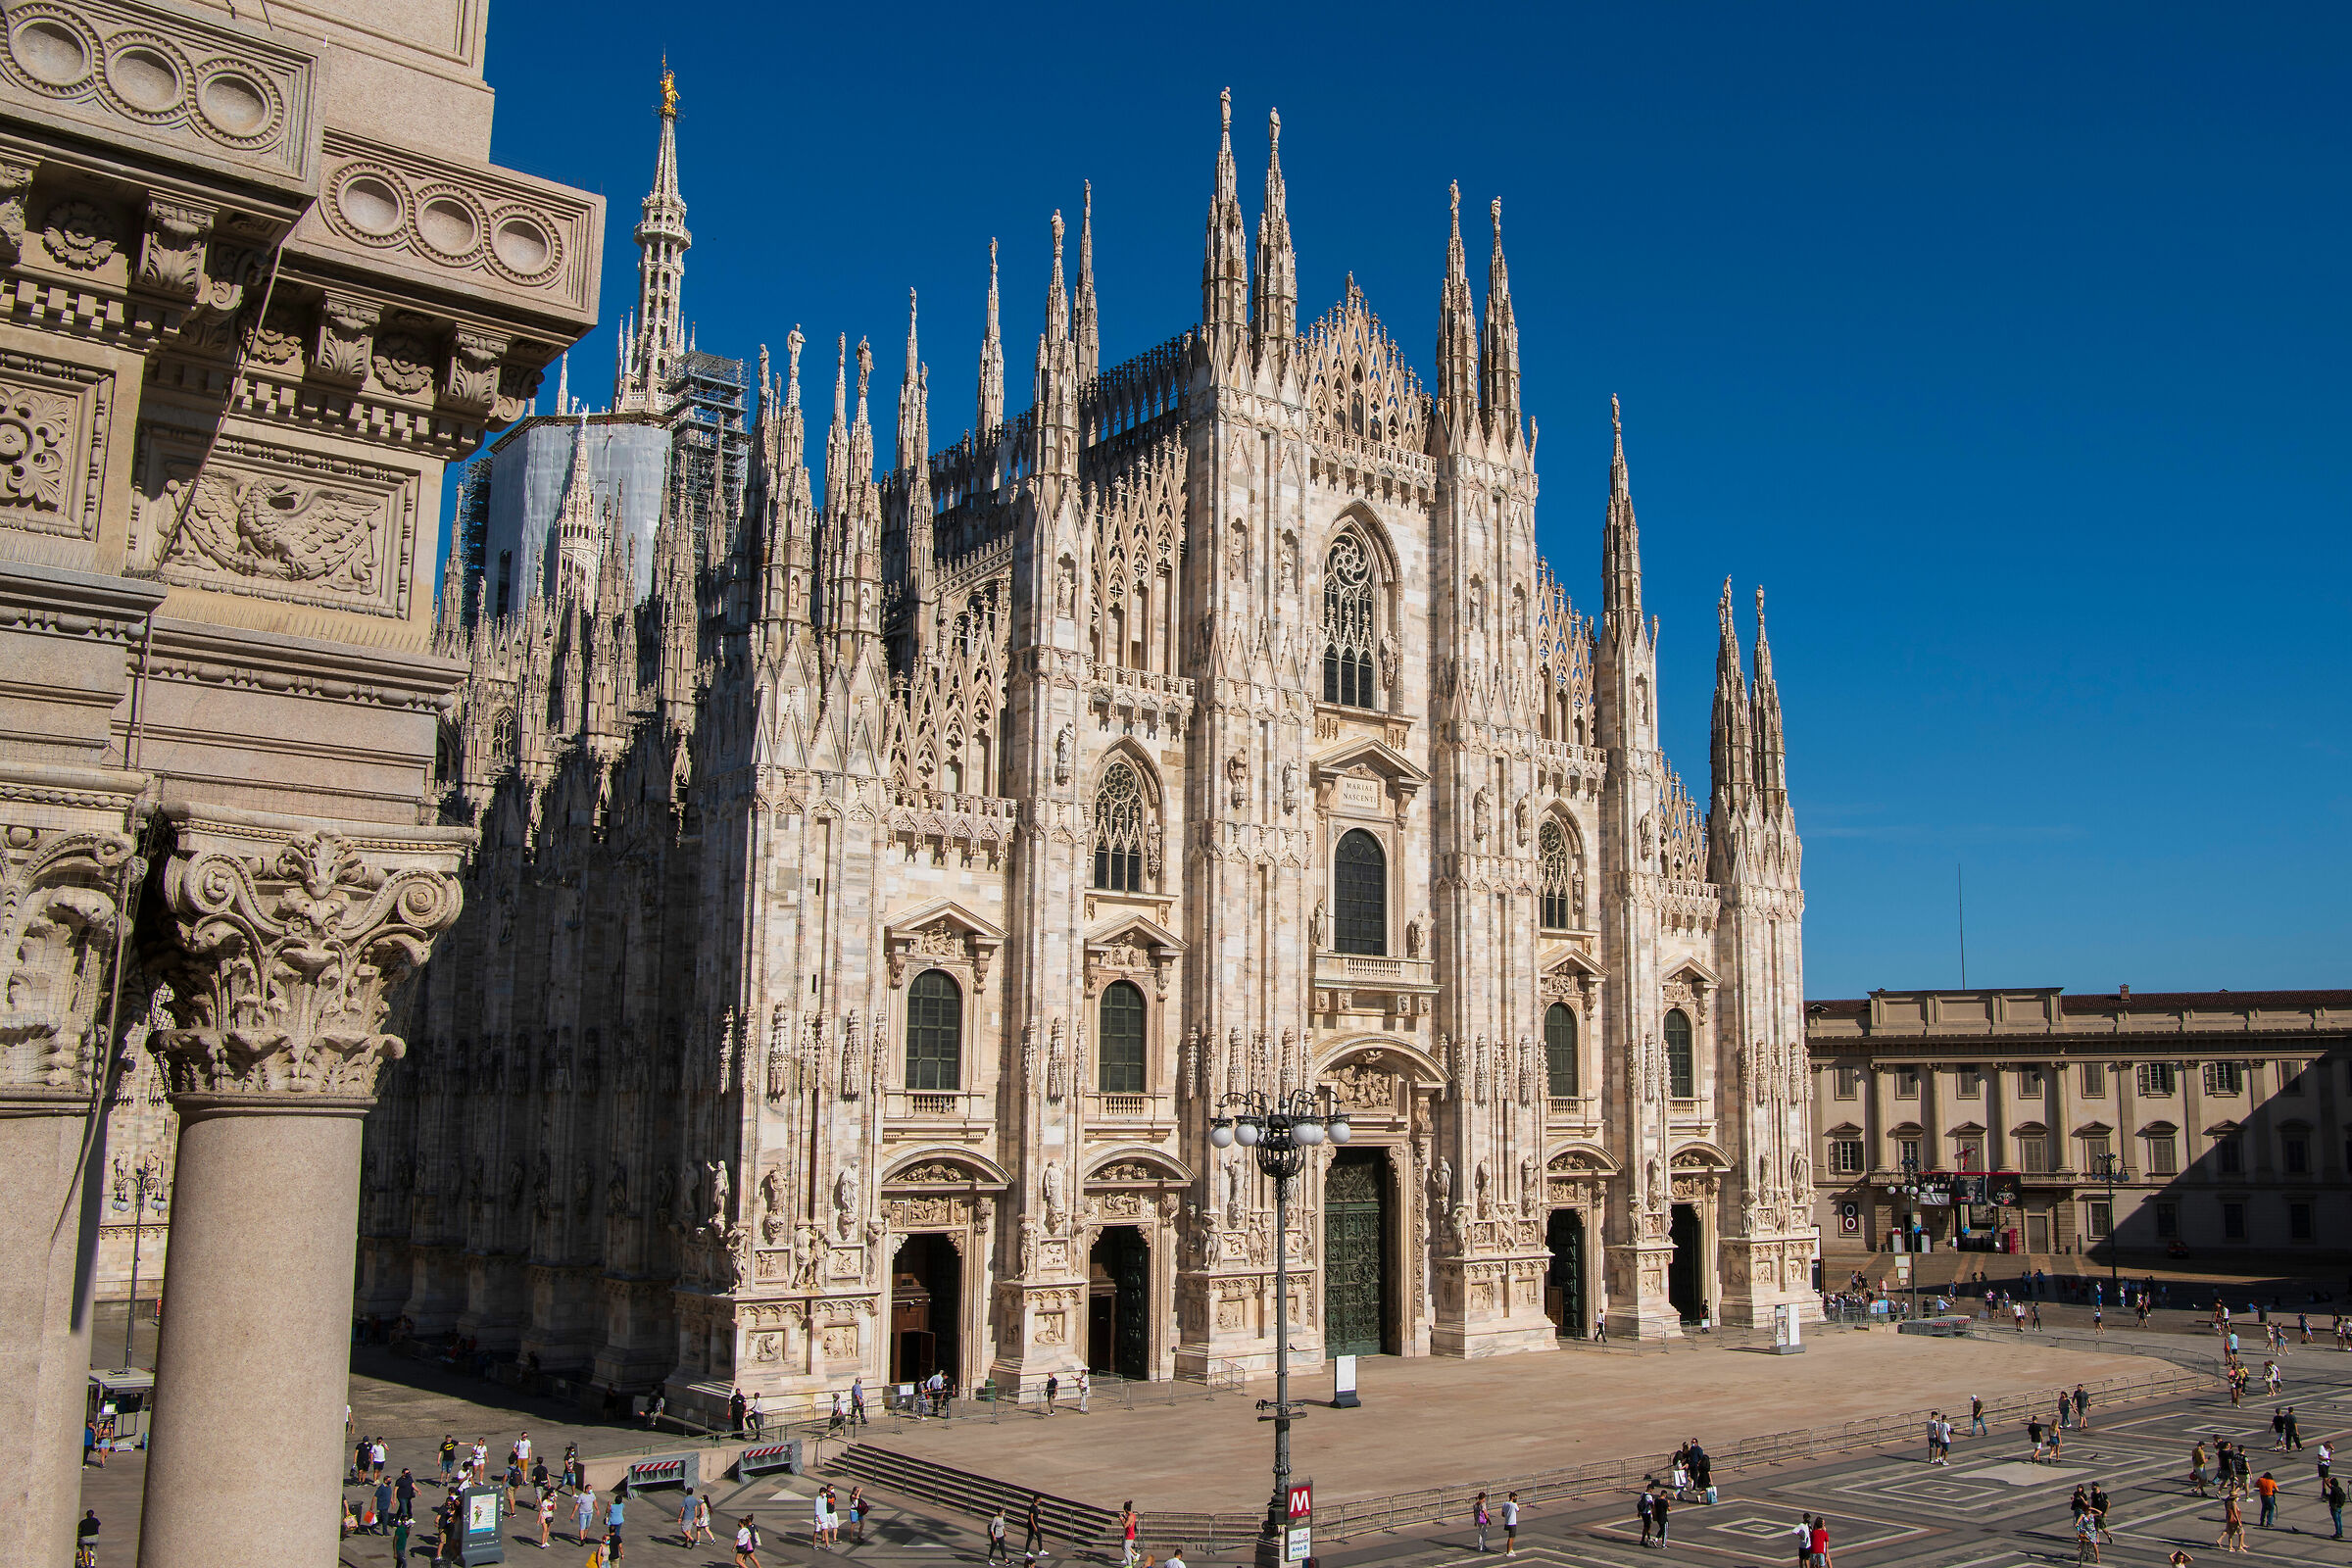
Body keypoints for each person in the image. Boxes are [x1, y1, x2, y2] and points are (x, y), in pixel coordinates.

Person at [1024, 1493, 1046, 1565]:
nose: (1041, 1499)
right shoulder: (1032, 1507)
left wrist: (1040, 1512)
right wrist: (1034, 1526)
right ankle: (1027, 1551)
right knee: (1031, 1537)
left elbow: (1036, 1512)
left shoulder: (1036, 1506)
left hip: (1035, 1523)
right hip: (1032, 1524)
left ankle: (1040, 1550)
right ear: (1037, 1499)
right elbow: (1031, 1517)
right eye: (1040, 1498)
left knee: (1038, 1536)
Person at [2323, 1472, 2345, 1541]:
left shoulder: (2334, 1489)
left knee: (2336, 1521)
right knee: (2339, 1521)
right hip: (2339, 1507)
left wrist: (2326, 1479)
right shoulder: (2339, 1489)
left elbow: (2327, 1483)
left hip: (2334, 1507)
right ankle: (2340, 1533)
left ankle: (2338, 1533)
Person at [1119, 1502, 1139, 1568]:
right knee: (1123, 1547)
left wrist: (1121, 1520)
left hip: (1129, 1536)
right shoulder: (1132, 1515)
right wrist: (1124, 1517)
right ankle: (1134, 1557)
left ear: (1126, 1509)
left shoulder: (1130, 1517)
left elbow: (1125, 1525)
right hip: (1128, 1535)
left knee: (1126, 1549)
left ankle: (1129, 1564)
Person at [1502, 1490, 1520, 1555]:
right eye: (1515, 1497)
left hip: (1507, 1522)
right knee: (1511, 1537)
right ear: (1512, 1497)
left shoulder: (1505, 1504)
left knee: (1511, 1537)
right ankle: (1508, 1551)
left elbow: (1503, 1514)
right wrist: (1516, 1504)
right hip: (1512, 1523)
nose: (1516, 1499)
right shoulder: (1514, 1505)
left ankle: (1511, 1549)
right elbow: (1518, 1510)